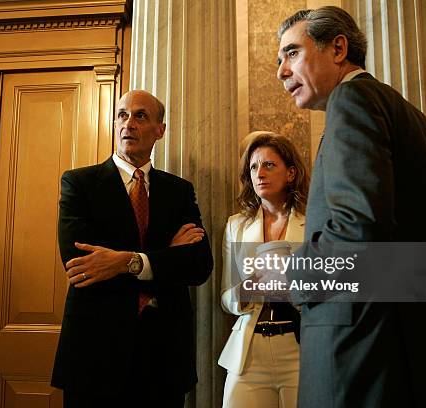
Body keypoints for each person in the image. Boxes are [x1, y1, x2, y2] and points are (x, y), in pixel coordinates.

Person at [276, 7, 426, 408]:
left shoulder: (353, 99)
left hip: (361, 353)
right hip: (412, 349)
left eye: (291, 53)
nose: (281, 71)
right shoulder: (413, 116)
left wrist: (293, 275)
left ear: (338, 48)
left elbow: (358, 226)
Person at [50, 90, 213, 407]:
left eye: (140, 116)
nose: (129, 123)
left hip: (164, 353)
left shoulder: (179, 191)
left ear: (159, 130)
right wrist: (165, 254)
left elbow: (198, 265)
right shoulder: (79, 183)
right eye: (122, 115)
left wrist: (124, 261)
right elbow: (81, 264)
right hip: (95, 352)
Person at [219, 131, 309, 408]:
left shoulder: (314, 222)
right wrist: (244, 290)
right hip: (249, 351)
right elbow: (226, 298)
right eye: (254, 167)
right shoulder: (236, 225)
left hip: (300, 349)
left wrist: (291, 286)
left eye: (269, 165)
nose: (260, 173)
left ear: (291, 173)